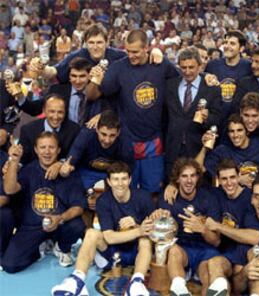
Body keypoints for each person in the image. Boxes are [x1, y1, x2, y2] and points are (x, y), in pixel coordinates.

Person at [87, 29, 180, 194]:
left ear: (146, 48)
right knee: (124, 192)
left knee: (153, 192)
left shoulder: (161, 64)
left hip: (154, 142)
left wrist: (207, 77)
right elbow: (95, 95)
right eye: (128, 51)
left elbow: (184, 80)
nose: (131, 55)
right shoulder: (118, 68)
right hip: (127, 142)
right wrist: (95, 80)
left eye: (135, 51)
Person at [52, 161, 156, 296]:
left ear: (130, 179)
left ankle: (136, 284)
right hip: (112, 254)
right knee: (91, 233)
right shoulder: (103, 200)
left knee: (146, 240)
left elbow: (153, 232)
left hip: (138, 252)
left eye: (124, 179)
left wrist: (137, 226)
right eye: (116, 179)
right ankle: (76, 281)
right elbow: (108, 237)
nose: (120, 183)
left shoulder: (143, 197)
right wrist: (138, 230)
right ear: (109, 181)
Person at [2, 132, 86, 273]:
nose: (47, 151)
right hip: (32, 227)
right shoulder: (28, 171)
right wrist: (14, 161)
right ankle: (39, 249)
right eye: (43, 147)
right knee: (10, 265)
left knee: (77, 225)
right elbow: (9, 189)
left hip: (59, 224)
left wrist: (60, 218)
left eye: (51, 147)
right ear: (35, 150)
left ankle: (62, 247)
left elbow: (78, 207)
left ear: (58, 150)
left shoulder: (68, 173)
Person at [158, 158, 225, 296]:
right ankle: (179, 289)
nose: (189, 181)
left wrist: (203, 229)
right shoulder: (168, 198)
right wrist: (164, 221)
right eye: (184, 176)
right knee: (173, 250)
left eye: (192, 176)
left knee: (208, 276)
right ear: (177, 179)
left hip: (204, 249)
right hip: (182, 248)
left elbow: (216, 241)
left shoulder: (209, 199)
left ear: (198, 177)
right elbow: (161, 237)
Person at [204, 159, 259, 290]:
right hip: (227, 252)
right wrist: (172, 185)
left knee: (250, 265)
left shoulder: (250, 197)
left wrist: (218, 226)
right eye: (224, 179)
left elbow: (254, 237)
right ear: (218, 180)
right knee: (213, 263)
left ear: (239, 177)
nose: (229, 183)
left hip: (248, 250)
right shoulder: (216, 195)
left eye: (232, 177)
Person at [164, 47, 221, 176]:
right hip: (173, 151)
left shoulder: (212, 88)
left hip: (198, 150)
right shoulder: (170, 86)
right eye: (184, 67)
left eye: (191, 67)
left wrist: (207, 118)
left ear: (199, 66)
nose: (187, 71)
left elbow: (217, 119)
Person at [59, 110, 134, 190]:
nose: (107, 140)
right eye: (103, 134)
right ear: (97, 129)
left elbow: (127, 169)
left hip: (113, 174)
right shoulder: (85, 135)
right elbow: (70, 162)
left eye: (112, 135)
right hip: (86, 172)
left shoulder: (125, 141)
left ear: (118, 133)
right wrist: (65, 171)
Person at [19, 57, 103, 126]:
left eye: (82, 76)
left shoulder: (96, 92)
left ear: (89, 76)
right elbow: (35, 109)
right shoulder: (57, 90)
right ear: (69, 77)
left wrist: (102, 116)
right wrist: (19, 96)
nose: (77, 81)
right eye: (74, 76)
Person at [198, 114, 259, 187]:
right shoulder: (222, 151)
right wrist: (204, 148)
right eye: (232, 131)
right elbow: (198, 171)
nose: (235, 135)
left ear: (247, 132)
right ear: (228, 134)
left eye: (239, 130)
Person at [18, 94, 80, 170]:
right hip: (35, 175)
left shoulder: (74, 130)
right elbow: (22, 160)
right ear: (44, 111)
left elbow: (76, 156)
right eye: (52, 111)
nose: (56, 117)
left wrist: (60, 164)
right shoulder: (28, 130)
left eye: (60, 112)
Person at [205, 30, 252, 120]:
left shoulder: (249, 67)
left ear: (241, 48)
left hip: (238, 120)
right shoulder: (212, 65)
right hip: (215, 118)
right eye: (226, 42)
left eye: (232, 43)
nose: (227, 46)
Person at [232, 46, 259, 112]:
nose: (253, 65)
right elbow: (236, 110)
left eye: (257, 62)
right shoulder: (244, 84)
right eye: (252, 61)